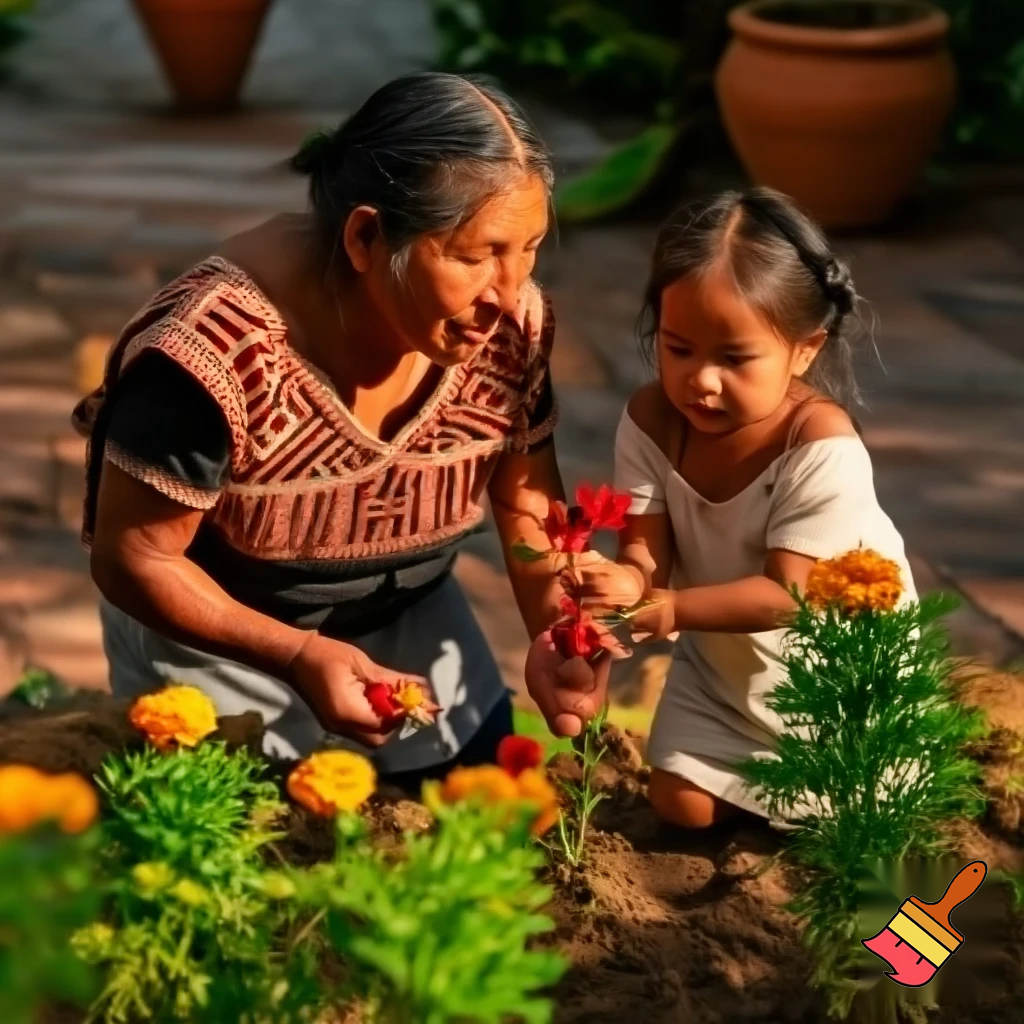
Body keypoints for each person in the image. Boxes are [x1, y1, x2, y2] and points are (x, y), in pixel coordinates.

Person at [74, 71, 615, 784]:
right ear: (366, 236)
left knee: (476, 824)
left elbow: (522, 501)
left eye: (530, 249)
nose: (510, 296)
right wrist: (297, 656)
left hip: (407, 613)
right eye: (477, 254)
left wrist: (556, 624)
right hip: (223, 636)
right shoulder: (209, 359)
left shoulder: (507, 332)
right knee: (240, 857)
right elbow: (136, 557)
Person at [579, 187, 916, 827]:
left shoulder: (819, 445)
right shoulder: (652, 419)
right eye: (679, 349)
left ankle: (891, 906)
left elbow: (788, 595)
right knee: (679, 804)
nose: (701, 380)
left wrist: (671, 607)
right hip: (724, 670)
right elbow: (644, 549)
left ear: (805, 349)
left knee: (857, 829)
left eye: (734, 359)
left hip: (835, 678)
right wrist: (627, 582)